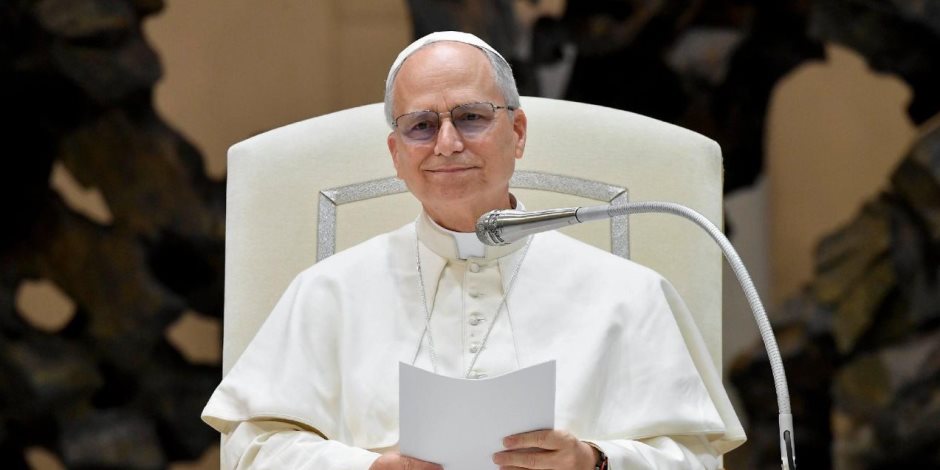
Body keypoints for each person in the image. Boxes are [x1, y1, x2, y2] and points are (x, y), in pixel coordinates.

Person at [202, 31, 745, 469]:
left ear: (518, 132)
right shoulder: (328, 292)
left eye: (471, 117)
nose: (447, 144)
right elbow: (252, 451)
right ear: (395, 153)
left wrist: (594, 462)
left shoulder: (629, 294)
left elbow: (696, 460)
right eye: (421, 126)